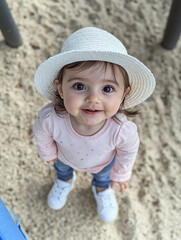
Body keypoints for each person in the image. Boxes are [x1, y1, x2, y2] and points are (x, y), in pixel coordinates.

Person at [33, 27, 156, 222]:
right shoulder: (51, 118)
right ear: (61, 88)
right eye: (80, 86)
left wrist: (121, 173)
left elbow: (128, 150)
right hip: (64, 156)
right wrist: (48, 152)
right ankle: (65, 180)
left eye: (107, 88)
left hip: (104, 163)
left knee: (103, 177)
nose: (93, 98)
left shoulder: (121, 130)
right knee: (62, 169)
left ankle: (102, 188)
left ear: (124, 93)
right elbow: (41, 132)